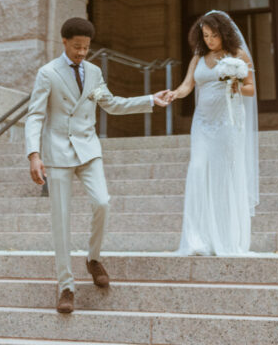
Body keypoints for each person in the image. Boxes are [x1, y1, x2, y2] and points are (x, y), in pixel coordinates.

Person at [25, 16, 171, 314]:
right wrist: (33, 155)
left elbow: (111, 103)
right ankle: (66, 287)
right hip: (58, 153)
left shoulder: (93, 72)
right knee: (61, 222)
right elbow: (35, 115)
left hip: (88, 150)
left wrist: (151, 100)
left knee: (102, 202)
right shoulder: (48, 73)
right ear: (64, 42)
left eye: (87, 47)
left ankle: (92, 259)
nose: (82, 52)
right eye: (77, 46)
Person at [165, 9, 259, 255]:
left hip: (227, 123)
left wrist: (234, 83)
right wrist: (175, 93)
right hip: (202, 123)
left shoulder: (237, 55)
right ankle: (197, 238)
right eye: (205, 35)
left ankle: (225, 238)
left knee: (222, 174)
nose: (209, 40)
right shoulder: (199, 56)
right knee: (197, 169)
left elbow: (251, 89)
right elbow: (188, 85)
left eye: (213, 35)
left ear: (224, 33)